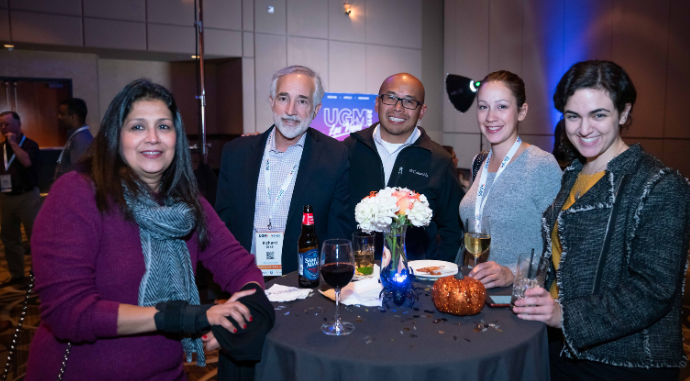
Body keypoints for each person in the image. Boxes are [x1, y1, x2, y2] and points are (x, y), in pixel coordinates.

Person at [27, 79, 271, 380]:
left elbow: (242, 268)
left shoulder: (188, 204)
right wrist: (183, 317)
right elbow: (69, 313)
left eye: (164, 127)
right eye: (138, 127)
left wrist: (236, 319)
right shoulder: (78, 193)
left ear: (177, 138)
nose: (153, 138)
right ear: (116, 136)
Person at [513, 60, 690, 380]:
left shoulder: (659, 185)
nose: (584, 129)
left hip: (624, 361)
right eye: (573, 116)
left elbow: (653, 290)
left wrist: (564, 315)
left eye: (598, 114)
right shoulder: (571, 175)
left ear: (624, 113)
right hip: (562, 347)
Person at [216, 65, 353, 277]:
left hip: (303, 284)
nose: (290, 110)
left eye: (302, 101)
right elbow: (221, 228)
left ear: (315, 110)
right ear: (272, 102)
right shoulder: (236, 153)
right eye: (283, 98)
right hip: (243, 281)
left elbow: (337, 233)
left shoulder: (334, 156)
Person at [344, 73, 464, 261]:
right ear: (377, 103)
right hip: (357, 275)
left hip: (415, 281)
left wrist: (436, 271)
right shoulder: (349, 150)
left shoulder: (439, 160)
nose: (398, 108)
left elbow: (453, 228)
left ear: (422, 111)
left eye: (409, 101)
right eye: (390, 98)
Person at [460, 70, 562, 288]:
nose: (490, 117)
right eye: (483, 106)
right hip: (475, 291)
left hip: (517, 303)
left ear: (522, 111)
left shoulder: (541, 165)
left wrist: (513, 273)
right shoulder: (480, 162)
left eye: (502, 106)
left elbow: (561, 247)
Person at [0, 111, 41, 289]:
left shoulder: (29, 145)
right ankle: (16, 275)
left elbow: (27, 162)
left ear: (18, 125)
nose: (3, 128)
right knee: (9, 238)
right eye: (0, 125)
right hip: (5, 197)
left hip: (27, 197)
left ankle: (39, 276)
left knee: (35, 238)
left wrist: (13, 143)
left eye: (6, 124)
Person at [54, 97, 94, 180]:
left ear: (73, 117)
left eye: (62, 114)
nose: (59, 117)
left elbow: (78, 174)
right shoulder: (75, 136)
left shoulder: (81, 139)